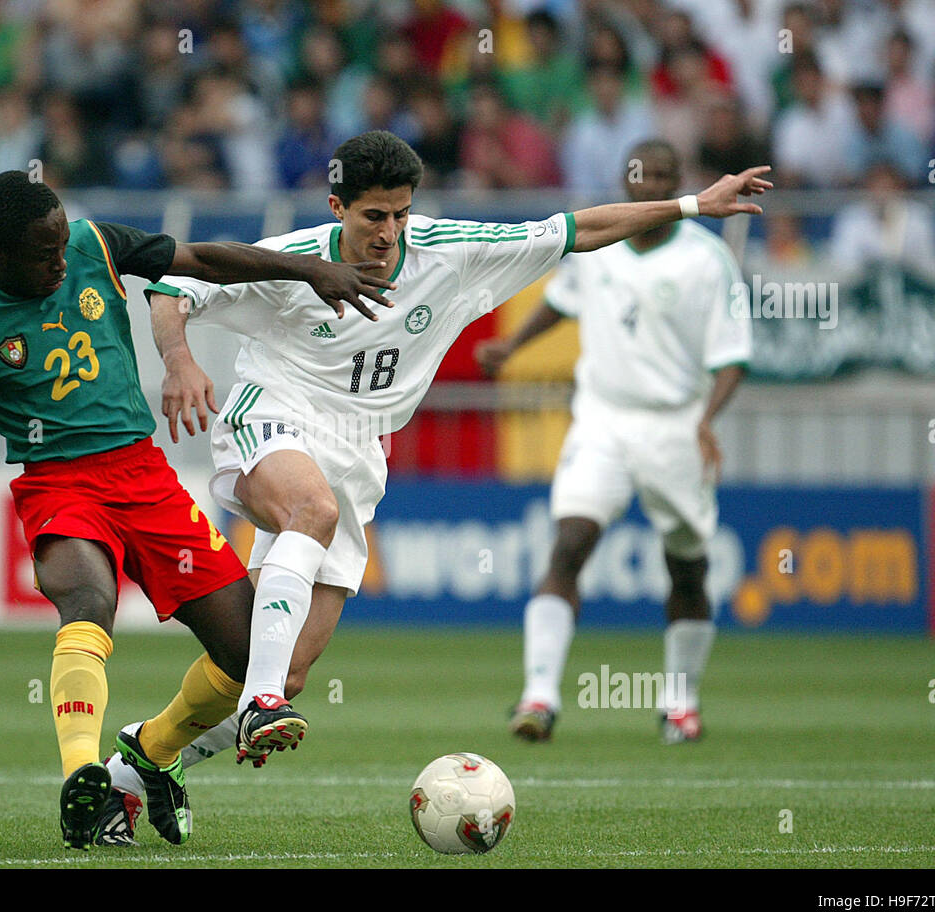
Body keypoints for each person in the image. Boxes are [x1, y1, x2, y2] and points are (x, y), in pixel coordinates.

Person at [0, 170, 394, 850]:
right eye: (43, 254)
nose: (61, 262)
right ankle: (83, 771)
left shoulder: (94, 245)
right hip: (59, 485)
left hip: (146, 480)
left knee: (250, 655)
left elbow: (201, 260)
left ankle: (147, 752)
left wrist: (309, 271)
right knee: (87, 600)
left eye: (61, 247)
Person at [123, 130, 770, 807]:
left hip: (359, 451)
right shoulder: (293, 259)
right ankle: (259, 701)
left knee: (286, 667)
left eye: (401, 213)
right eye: (375, 215)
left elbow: (579, 229)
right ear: (338, 205)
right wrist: (179, 362)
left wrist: (694, 205)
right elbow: (171, 287)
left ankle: (144, 758)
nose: (390, 231)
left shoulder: (449, 252)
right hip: (274, 413)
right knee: (310, 516)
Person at [474, 140, 752, 745]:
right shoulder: (598, 250)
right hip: (600, 416)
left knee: (687, 567)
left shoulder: (708, 261)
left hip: (675, 423)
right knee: (569, 542)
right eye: (639, 175)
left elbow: (732, 357)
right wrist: (513, 346)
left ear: (681, 182)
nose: (648, 184)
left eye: (661, 175)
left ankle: (680, 704)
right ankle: (539, 698)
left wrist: (706, 420)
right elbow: (561, 301)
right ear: (624, 182)